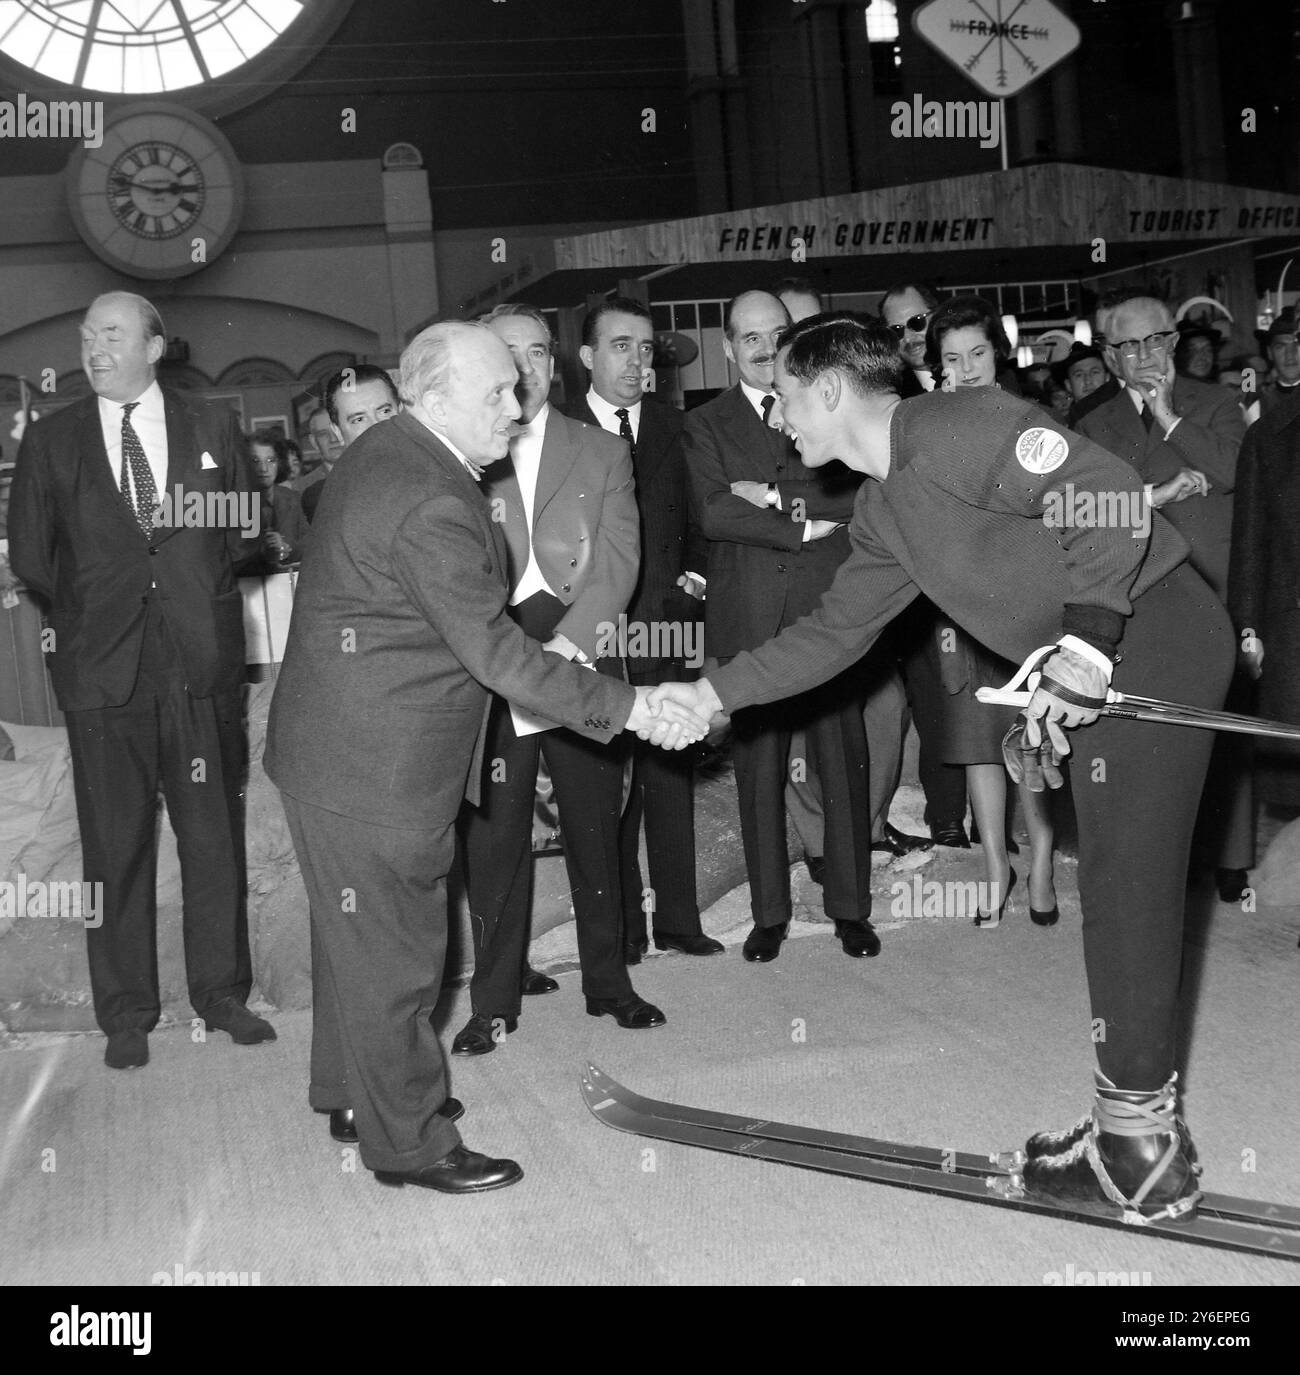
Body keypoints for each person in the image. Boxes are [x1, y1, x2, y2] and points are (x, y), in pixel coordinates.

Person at [652, 312, 1234, 1222]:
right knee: (1121, 886)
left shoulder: (953, 426)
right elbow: (832, 635)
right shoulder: (886, 509)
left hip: (1154, 633)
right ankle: (1133, 1124)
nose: (783, 419)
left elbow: (1106, 491)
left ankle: (1139, 1149)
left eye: (791, 397)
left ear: (833, 387)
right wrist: (713, 693)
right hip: (1112, 652)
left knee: (1128, 884)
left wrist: (1087, 642)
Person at [264, 320, 706, 1195]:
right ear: (432, 400)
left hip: (331, 748)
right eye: (497, 393)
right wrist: (630, 706)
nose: (518, 404)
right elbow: (500, 654)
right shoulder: (430, 498)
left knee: (352, 940)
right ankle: (412, 1142)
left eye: (519, 384)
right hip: (376, 764)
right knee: (399, 956)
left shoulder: (391, 450)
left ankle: (355, 1094)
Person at [8, 291, 274, 1070]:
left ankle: (222, 995)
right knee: (114, 844)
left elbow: (246, 532)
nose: (93, 348)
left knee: (212, 837)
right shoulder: (53, 441)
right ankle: (126, 1010)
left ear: (155, 347)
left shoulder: (212, 424)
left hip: (199, 661)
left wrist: (187, 586)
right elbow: (31, 556)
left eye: (112, 334)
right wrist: (102, 606)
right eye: (86, 335)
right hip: (103, 669)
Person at [453, 302, 668, 1055]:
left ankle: (608, 981)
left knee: (595, 829)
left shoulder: (601, 449)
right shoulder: (462, 451)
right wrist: (509, 655)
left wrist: (572, 650)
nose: (526, 369)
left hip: (582, 664)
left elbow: (620, 561)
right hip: (494, 671)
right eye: (509, 355)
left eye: (539, 353)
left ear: (557, 362)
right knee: (496, 839)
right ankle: (495, 998)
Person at [684, 290, 878, 963]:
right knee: (758, 770)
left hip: (830, 611)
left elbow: (851, 493)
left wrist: (769, 495)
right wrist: (802, 522)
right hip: (749, 619)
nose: (765, 349)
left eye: (777, 334)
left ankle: (851, 907)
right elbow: (712, 511)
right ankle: (769, 914)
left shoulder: (825, 400)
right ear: (729, 347)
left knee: (842, 763)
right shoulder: (704, 422)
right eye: (749, 338)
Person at [564, 295, 720, 962]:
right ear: (587, 357)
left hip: (668, 622)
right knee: (608, 780)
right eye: (621, 345)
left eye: (645, 346)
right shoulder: (556, 433)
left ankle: (679, 921)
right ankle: (622, 929)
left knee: (670, 769)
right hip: (594, 631)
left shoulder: (675, 428)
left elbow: (703, 520)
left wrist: (698, 577)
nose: (637, 359)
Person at [924, 296, 1058, 927]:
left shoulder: (1031, 422)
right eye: (953, 358)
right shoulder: (926, 431)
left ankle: (1042, 858)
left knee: (1026, 738)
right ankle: (995, 868)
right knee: (977, 742)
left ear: (997, 356)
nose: (967, 367)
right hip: (955, 606)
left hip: (1021, 604)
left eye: (977, 353)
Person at [879, 282, 970, 847]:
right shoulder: (883, 397)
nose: (909, 338)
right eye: (895, 330)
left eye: (917, 322)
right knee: (932, 699)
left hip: (985, 570)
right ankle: (946, 823)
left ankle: (998, 822)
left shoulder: (984, 382)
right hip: (914, 578)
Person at [246, 430, 309, 571]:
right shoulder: (233, 503)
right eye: (255, 461)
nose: (263, 468)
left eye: (271, 460)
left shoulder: (293, 499)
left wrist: (286, 549)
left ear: (280, 463)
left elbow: (312, 545)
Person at [1259, 314, 1300, 414]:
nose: (1289, 355)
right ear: (1270, 353)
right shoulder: (1258, 406)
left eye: (1297, 345)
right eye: (1280, 347)